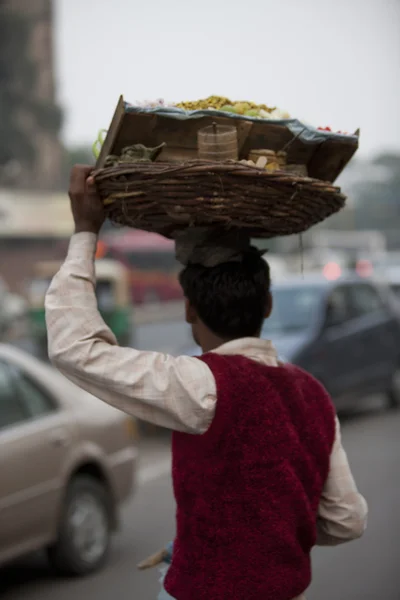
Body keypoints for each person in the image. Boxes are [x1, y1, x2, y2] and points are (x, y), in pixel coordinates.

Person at [45, 165, 368, 600]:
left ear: (189, 310)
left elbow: (75, 348)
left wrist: (86, 230)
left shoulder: (199, 385)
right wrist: (271, 537)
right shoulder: (312, 392)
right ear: (268, 304)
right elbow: (346, 519)